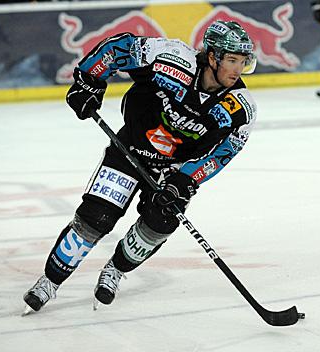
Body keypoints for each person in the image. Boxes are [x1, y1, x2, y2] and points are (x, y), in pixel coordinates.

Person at [23, 20, 257, 313]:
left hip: (173, 169)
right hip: (130, 149)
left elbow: (223, 153)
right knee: (96, 218)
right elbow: (118, 48)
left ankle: (116, 269)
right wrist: (89, 81)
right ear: (212, 57)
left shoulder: (239, 107)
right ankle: (50, 281)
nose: (237, 70)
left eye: (242, 62)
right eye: (232, 60)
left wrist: (185, 181)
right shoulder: (172, 58)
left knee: (160, 223)